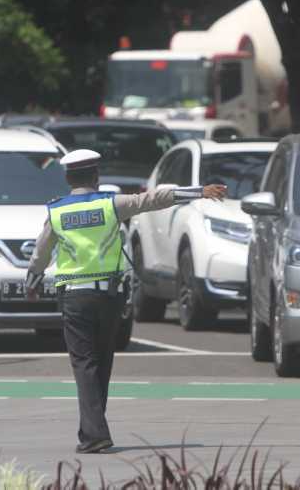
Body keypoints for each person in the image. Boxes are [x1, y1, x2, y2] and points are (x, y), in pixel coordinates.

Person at [24, 149, 227, 454]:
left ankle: (94, 435)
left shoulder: (57, 212)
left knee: (84, 365)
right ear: (96, 176)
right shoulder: (112, 204)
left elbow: (40, 253)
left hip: (75, 297)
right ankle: (92, 431)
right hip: (109, 296)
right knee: (101, 363)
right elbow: (154, 199)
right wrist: (199, 191)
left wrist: (32, 281)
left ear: (68, 177)